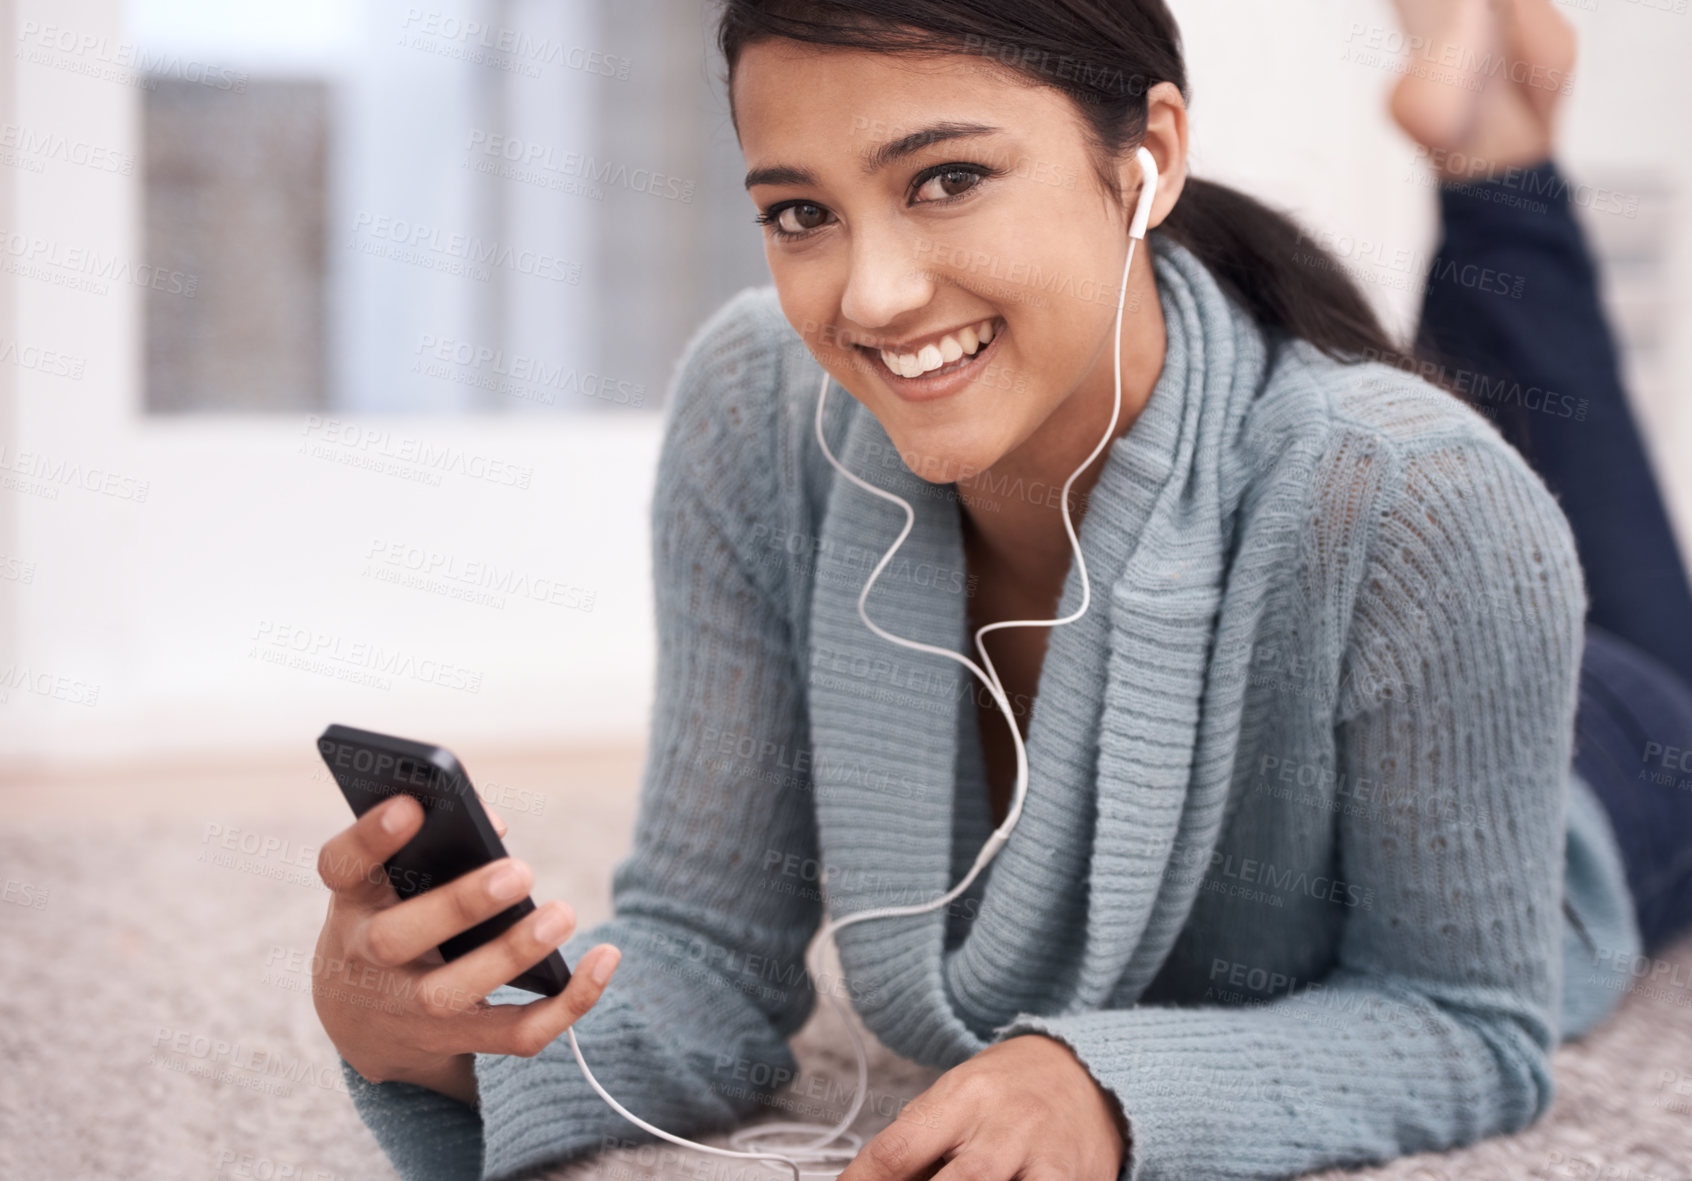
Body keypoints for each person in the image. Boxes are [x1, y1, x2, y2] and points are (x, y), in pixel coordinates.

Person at [311, 1, 1692, 1179]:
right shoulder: (758, 406)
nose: (876, 292)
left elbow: (1461, 1014)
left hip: (1594, 765)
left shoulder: (1423, 506)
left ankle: (1498, 149)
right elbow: (708, 955)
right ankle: (1493, 129)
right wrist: (444, 1041)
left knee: (1635, 633)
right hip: (1404, 528)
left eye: (945, 179)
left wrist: (1102, 1089)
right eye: (800, 211)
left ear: (1146, 157)